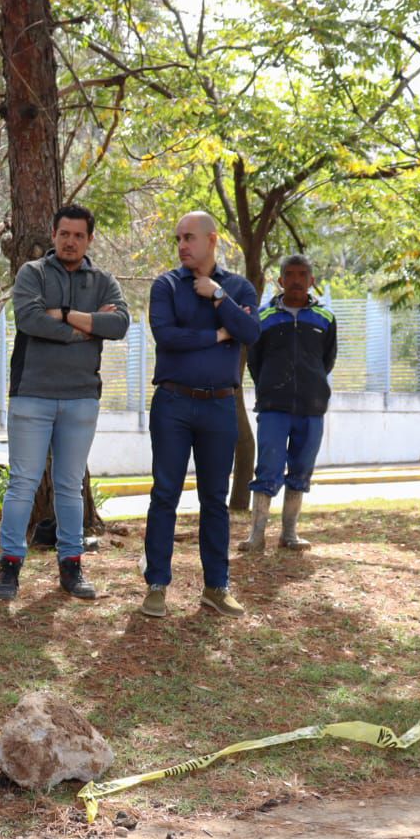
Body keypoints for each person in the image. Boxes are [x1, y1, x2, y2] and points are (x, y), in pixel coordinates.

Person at [0, 204, 130, 602]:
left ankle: (71, 567)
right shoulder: (31, 273)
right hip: (31, 395)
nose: (71, 241)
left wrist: (66, 313)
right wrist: (85, 328)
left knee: (69, 487)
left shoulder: (103, 281)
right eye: (64, 234)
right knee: (22, 484)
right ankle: (10, 567)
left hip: (81, 398)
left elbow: (119, 323)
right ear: (53, 236)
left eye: (79, 235)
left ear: (89, 240)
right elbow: (30, 319)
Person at [140, 211, 260, 619]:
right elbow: (167, 337)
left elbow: (250, 333)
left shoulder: (239, 287)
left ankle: (216, 586)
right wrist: (216, 335)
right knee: (165, 494)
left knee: (214, 499)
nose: (182, 246)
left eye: (189, 237)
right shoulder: (166, 285)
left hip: (220, 405)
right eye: (178, 239)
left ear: (212, 240)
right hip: (173, 403)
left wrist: (219, 298)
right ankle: (156, 585)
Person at [240, 253, 337, 553]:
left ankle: (289, 533)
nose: (296, 280)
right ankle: (257, 535)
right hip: (273, 408)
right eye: (290, 274)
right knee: (267, 468)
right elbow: (254, 361)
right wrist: (271, 387)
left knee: (301, 468)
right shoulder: (263, 317)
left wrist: (312, 386)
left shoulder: (325, 318)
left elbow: (327, 361)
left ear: (312, 281)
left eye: (302, 274)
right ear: (280, 281)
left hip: (312, 408)